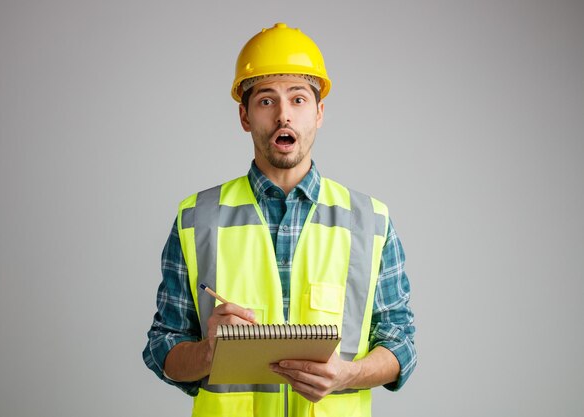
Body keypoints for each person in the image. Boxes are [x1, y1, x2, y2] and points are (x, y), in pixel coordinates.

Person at [143, 22, 416, 417]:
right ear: (245, 115)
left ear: (319, 112)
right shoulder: (195, 217)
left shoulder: (371, 220)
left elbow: (401, 343)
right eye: (267, 101)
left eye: (299, 99)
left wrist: (347, 374)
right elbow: (161, 348)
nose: (284, 115)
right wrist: (208, 353)